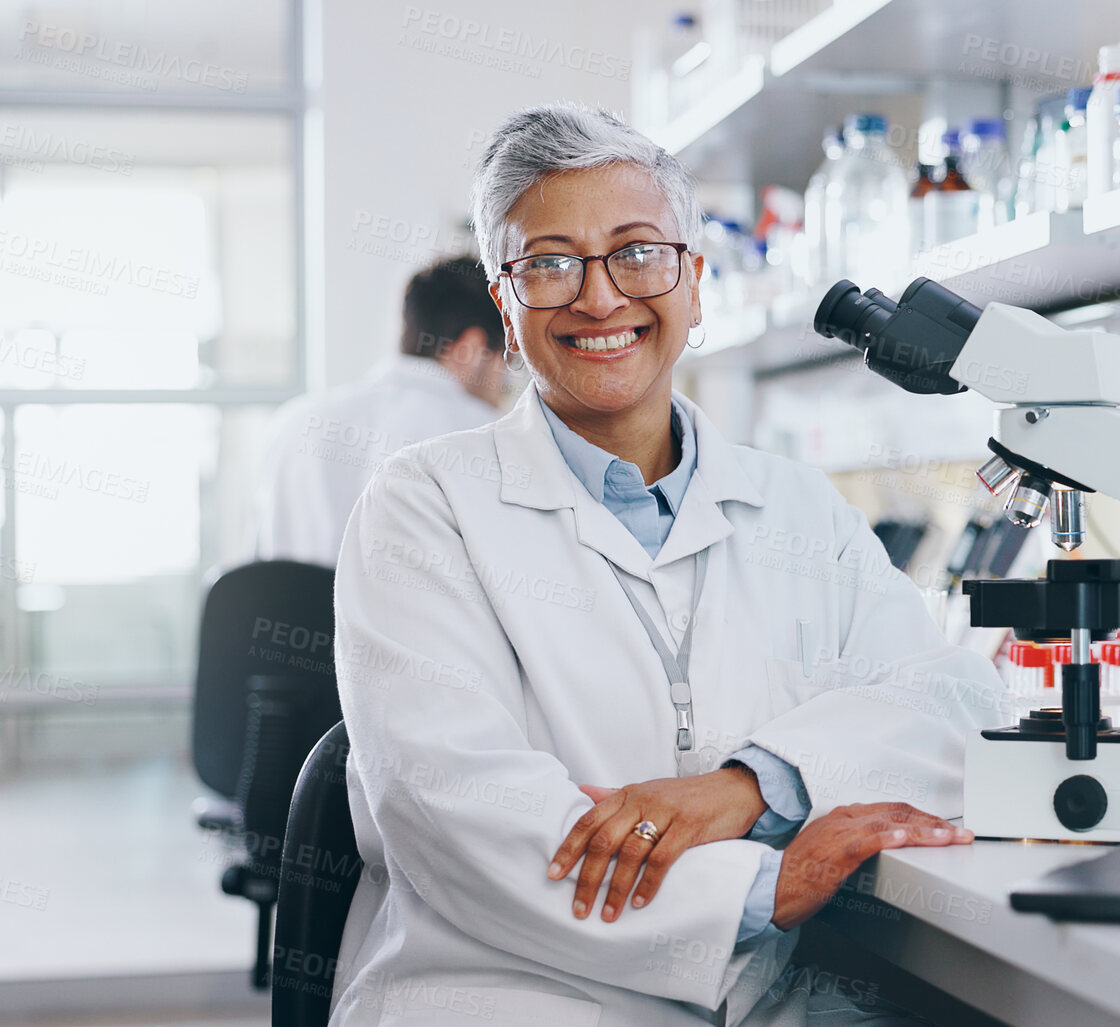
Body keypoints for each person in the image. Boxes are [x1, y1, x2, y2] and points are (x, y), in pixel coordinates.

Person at [328, 103, 1004, 1025]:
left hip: (770, 991)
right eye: (548, 263)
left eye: (638, 252)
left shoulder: (797, 506)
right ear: (504, 300)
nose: (600, 298)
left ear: (694, 280)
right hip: (508, 993)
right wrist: (762, 882)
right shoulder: (423, 507)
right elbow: (450, 803)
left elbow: (952, 699)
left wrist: (753, 786)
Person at [250, 256, 508, 565]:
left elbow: (253, 576)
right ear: (471, 348)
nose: (503, 386)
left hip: (281, 615)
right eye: (504, 360)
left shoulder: (293, 422)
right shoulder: (482, 436)